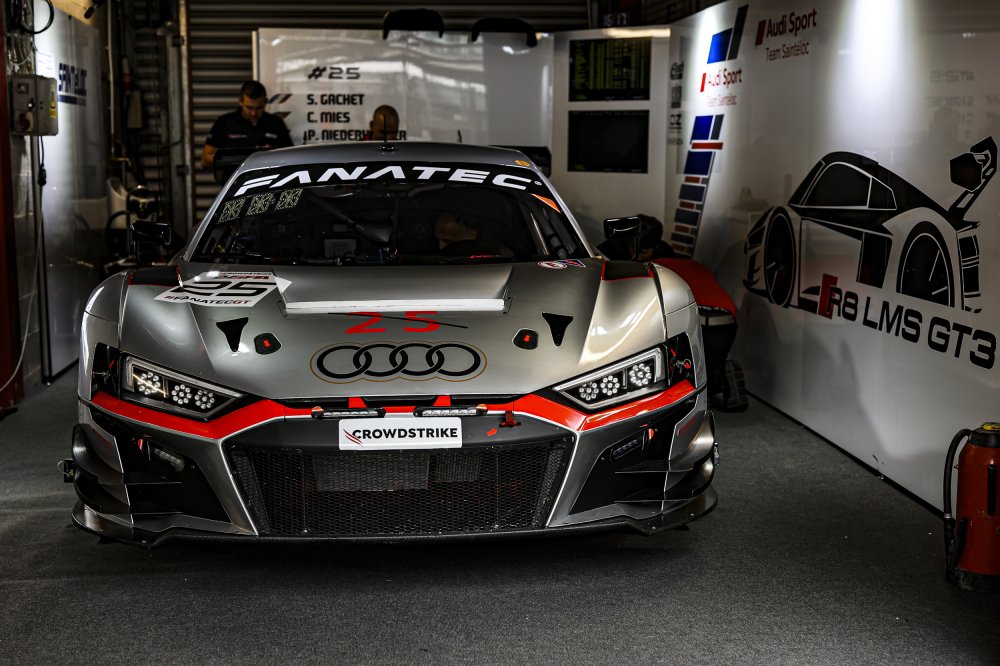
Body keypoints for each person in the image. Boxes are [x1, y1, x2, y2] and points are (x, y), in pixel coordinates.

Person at [200, 80, 293, 171]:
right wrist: (236, 159)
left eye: (259, 108)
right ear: (240, 101)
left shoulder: (276, 123)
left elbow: (291, 157)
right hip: (233, 179)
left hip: (267, 180)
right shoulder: (224, 122)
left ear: (265, 102)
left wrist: (272, 154)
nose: (253, 113)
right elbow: (205, 160)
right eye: (249, 107)